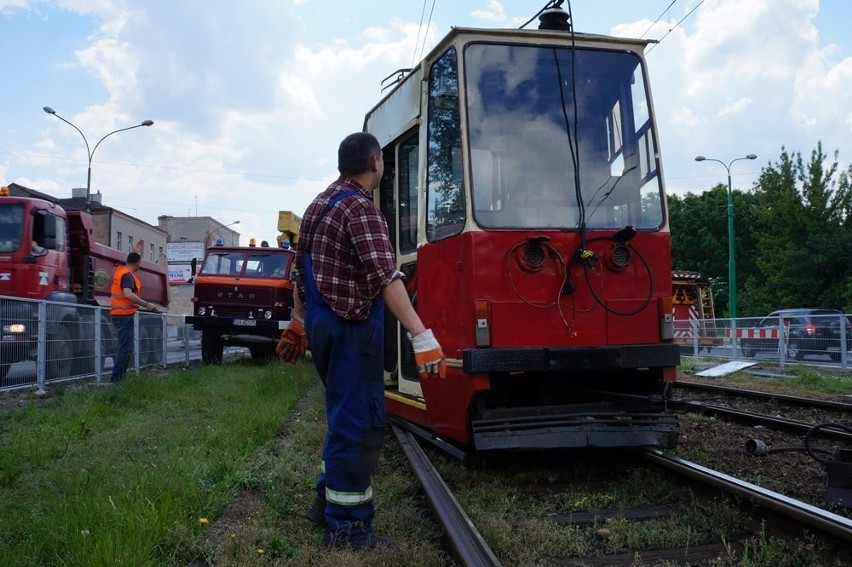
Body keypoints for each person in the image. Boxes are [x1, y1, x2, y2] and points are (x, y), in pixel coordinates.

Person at [276, 132, 445, 549]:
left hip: (320, 324)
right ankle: (348, 529)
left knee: (341, 415)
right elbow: (386, 277)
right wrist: (421, 335)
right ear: (375, 162)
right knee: (359, 423)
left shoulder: (318, 204)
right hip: (351, 328)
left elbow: (298, 272)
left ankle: (324, 501)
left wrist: (298, 320)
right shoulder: (361, 208)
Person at [110, 243, 158, 381]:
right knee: (125, 349)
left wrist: (135, 252)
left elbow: (131, 259)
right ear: (138, 264)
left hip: (119, 314)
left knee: (124, 347)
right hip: (123, 316)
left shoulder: (121, 271)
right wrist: (147, 304)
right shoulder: (128, 276)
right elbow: (128, 294)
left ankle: (119, 379)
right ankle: (117, 380)